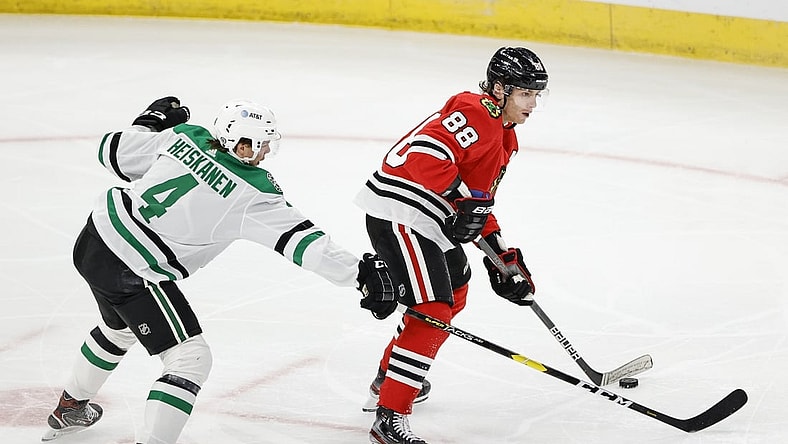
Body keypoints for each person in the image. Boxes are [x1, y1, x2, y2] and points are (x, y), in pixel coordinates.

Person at [42, 97, 398, 443]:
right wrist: (361, 274)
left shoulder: (187, 136)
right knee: (190, 359)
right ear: (244, 144)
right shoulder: (253, 191)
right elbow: (305, 244)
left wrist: (148, 126)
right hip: (134, 268)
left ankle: (70, 407)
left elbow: (111, 151)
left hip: (93, 241)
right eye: (262, 144)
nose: (267, 153)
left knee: (118, 329)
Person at [354, 46, 549, 444]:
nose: (532, 104)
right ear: (499, 89)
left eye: (536, 95)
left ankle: (390, 375)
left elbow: (478, 203)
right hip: (402, 211)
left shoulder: (505, 138)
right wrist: (460, 199)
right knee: (433, 307)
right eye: (525, 93)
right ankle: (390, 414)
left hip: (429, 218)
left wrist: (504, 260)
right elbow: (426, 154)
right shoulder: (476, 110)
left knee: (455, 290)